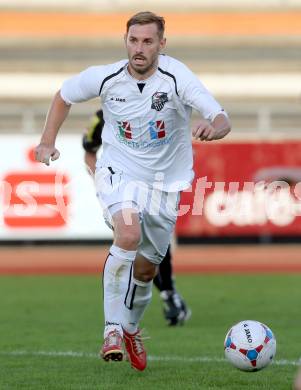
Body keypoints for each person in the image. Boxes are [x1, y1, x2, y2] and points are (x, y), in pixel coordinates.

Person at [34, 11, 231, 371]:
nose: (139, 48)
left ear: (162, 44)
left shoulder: (176, 77)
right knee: (127, 232)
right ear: (126, 41)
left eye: (148, 41)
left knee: (145, 272)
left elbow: (219, 115)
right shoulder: (107, 76)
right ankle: (111, 329)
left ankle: (130, 327)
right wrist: (47, 141)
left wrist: (214, 126)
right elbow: (63, 95)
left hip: (164, 184)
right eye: (133, 40)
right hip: (118, 172)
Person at [83, 109, 191, 326]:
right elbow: (89, 151)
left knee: (155, 247)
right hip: (122, 187)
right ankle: (126, 314)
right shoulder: (103, 114)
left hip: (154, 185)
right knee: (132, 243)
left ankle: (167, 293)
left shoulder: (158, 108)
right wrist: (104, 186)